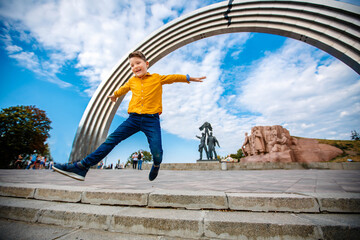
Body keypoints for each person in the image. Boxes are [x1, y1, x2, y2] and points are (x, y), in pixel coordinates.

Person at [53, 50, 205, 181]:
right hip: (133, 119)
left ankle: (156, 164)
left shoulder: (157, 78)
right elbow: (123, 89)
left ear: (147, 64)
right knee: (110, 141)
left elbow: (173, 77)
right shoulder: (132, 81)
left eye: (138, 63)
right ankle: (81, 167)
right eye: (132, 65)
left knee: (157, 151)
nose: (135, 67)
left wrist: (189, 78)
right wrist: (114, 95)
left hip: (151, 120)